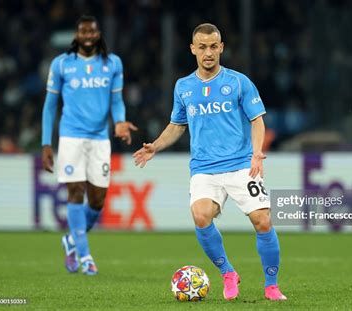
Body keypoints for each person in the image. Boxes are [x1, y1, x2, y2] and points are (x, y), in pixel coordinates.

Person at [133, 23, 286, 301]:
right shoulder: (183, 87)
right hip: (204, 168)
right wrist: (154, 146)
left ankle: (271, 285)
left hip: (241, 165)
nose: (208, 52)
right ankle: (228, 273)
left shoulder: (238, 82)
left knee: (262, 221)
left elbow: (257, 120)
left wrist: (256, 153)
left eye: (213, 46)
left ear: (221, 48)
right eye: (202, 47)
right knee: (200, 215)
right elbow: (177, 125)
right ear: (193, 49)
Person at [41, 15, 137, 275]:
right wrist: (46, 144)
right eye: (82, 31)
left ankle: (71, 240)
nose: (87, 36)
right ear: (77, 35)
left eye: (91, 32)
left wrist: (119, 122)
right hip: (71, 136)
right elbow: (50, 106)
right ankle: (85, 257)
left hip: (99, 138)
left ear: (97, 34)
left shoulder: (112, 63)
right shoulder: (62, 64)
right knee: (75, 193)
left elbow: (117, 101)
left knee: (97, 200)